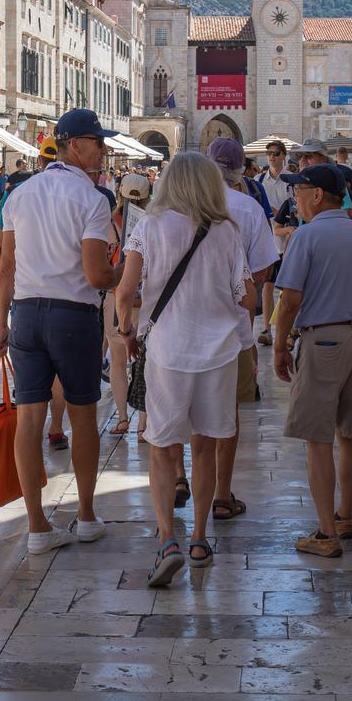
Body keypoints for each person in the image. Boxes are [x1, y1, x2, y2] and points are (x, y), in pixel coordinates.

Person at [115, 153, 253, 585]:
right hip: (218, 353)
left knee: (162, 446)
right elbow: (246, 296)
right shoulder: (226, 232)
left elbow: (124, 292)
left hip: (168, 351)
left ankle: (167, 541)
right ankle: (198, 538)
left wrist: (127, 331)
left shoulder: (149, 227)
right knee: (206, 446)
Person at [0, 109, 120, 554]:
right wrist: (122, 272)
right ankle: (86, 515)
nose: (104, 152)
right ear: (78, 146)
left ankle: (36, 525)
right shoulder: (93, 199)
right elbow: (95, 273)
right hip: (72, 316)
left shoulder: (20, 195)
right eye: (99, 143)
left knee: (30, 418)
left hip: (26, 314)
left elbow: (6, 265)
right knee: (83, 413)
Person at [271, 164, 352, 557]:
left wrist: (280, 345)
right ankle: (345, 516)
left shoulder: (306, 237)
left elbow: (290, 299)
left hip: (323, 342)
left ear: (316, 195)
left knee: (318, 438)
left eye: (299, 190)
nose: (294, 197)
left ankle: (326, 532)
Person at [207, 138, 279, 520]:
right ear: (240, 172)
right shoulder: (249, 208)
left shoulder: (180, 206)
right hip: (234, 330)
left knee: (189, 409)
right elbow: (265, 270)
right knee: (228, 412)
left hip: (185, 328)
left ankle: (185, 480)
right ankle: (221, 493)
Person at [106, 173, 151, 437]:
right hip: (147, 299)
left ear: (120, 193)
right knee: (145, 361)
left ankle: (123, 418)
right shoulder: (154, 224)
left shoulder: (109, 224)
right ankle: (144, 423)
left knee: (118, 361)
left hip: (116, 297)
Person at [254, 141, 291, 347]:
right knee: (267, 287)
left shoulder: (290, 181)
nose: (272, 157)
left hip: (287, 240)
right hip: (267, 240)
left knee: (287, 288)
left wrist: (282, 214)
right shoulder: (259, 180)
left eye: (276, 153)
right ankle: (267, 328)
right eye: (269, 153)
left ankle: (285, 329)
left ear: (284, 156)